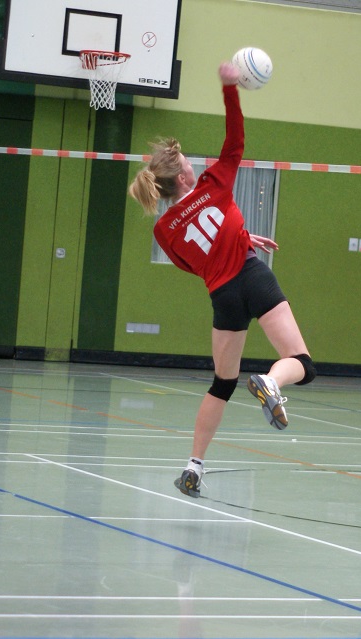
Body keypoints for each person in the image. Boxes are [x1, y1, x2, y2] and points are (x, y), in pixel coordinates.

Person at [128, 62, 315, 497]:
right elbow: (236, 139)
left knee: (222, 383)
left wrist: (238, 236)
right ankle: (272, 382)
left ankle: (194, 466)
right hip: (252, 275)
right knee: (302, 364)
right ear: (183, 176)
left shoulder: (163, 228)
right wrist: (230, 88)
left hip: (221, 295)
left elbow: (190, 262)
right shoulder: (215, 183)